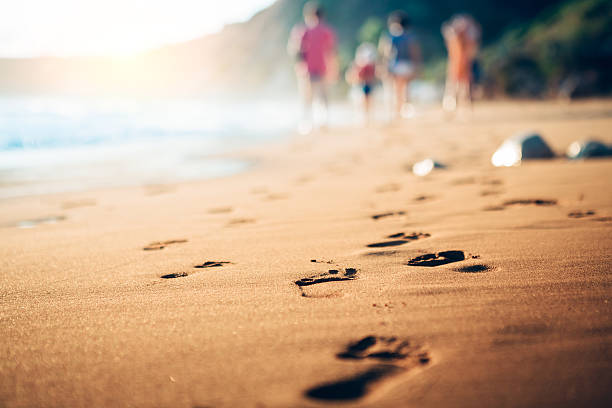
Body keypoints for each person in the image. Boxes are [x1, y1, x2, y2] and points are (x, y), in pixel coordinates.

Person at [287, 2, 338, 133]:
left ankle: (307, 124)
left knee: (307, 98)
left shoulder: (302, 30)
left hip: (306, 71)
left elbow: (295, 49)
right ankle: (324, 122)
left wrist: (299, 65)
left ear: (309, 15)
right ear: (322, 16)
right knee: (323, 97)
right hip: (323, 69)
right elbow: (331, 52)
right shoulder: (327, 31)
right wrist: (333, 69)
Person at [379, 11, 422, 119]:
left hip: (395, 65)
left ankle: (396, 111)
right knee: (406, 89)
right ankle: (404, 109)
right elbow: (414, 52)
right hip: (407, 65)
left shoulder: (390, 36)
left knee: (395, 90)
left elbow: (386, 52)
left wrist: (384, 65)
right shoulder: (410, 36)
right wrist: (417, 65)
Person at [442, 14, 481, 113]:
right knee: (454, 85)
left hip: (465, 64)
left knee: (466, 86)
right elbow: (447, 30)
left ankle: (466, 106)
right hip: (456, 64)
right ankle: (452, 105)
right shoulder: (455, 37)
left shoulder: (467, 38)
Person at [345, 43, 377, 123]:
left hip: (364, 85)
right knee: (364, 101)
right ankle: (365, 116)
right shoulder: (361, 65)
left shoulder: (366, 65)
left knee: (365, 101)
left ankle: (366, 117)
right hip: (361, 85)